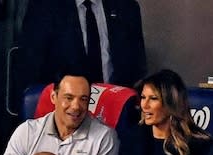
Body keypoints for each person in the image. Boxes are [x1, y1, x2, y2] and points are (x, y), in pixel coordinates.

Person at [17, 0, 146, 90]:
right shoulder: (44, 8)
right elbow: (31, 67)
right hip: (64, 111)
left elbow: (137, 66)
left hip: (114, 108)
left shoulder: (127, 7)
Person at [1, 71, 119, 155]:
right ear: (54, 97)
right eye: (69, 98)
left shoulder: (104, 137)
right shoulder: (26, 132)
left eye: (83, 99)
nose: (76, 106)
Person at [118, 69, 213, 155]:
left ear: (171, 103)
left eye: (153, 98)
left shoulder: (200, 145)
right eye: (143, 97)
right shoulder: (131, 137)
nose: (145, 105)